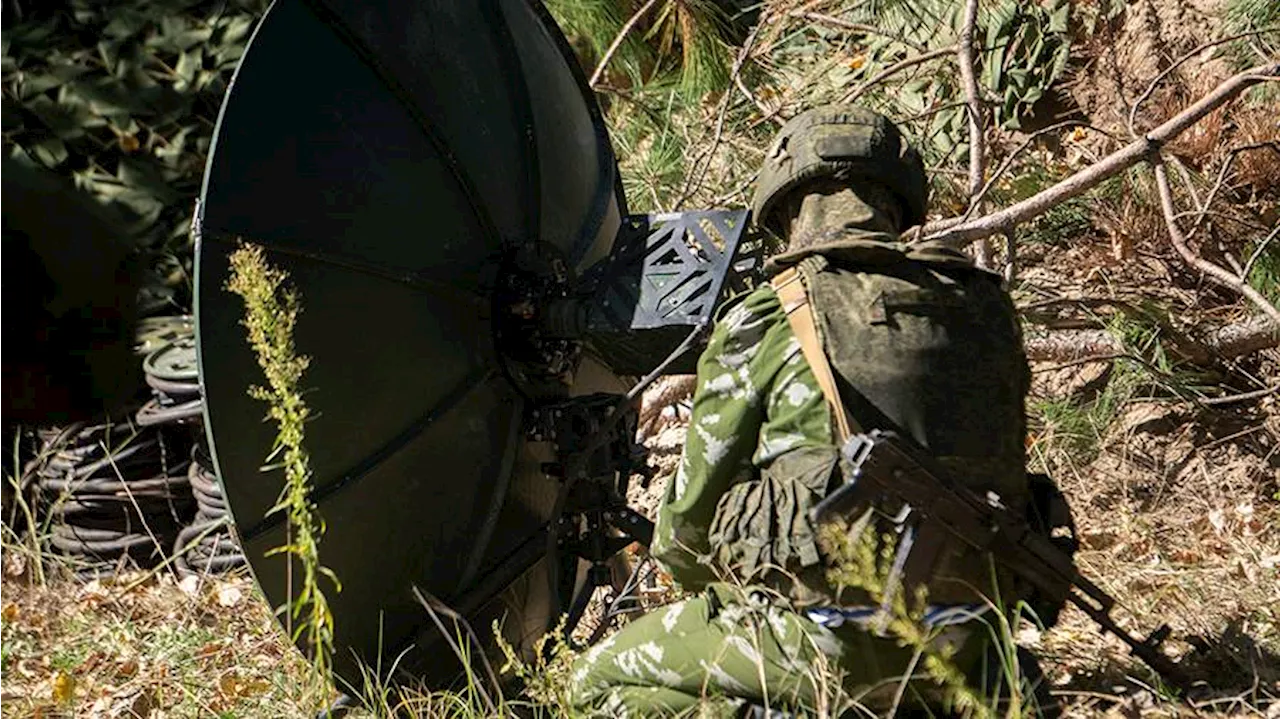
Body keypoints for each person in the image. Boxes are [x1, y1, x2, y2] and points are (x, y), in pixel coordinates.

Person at [569, 105, 1041, 717]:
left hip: (825, 647)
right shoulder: (985, 311)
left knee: (595, 685)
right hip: (975, 650)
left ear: (786, 205)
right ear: (899, 202)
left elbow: (687, 534)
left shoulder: (767, 318)